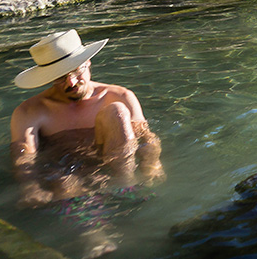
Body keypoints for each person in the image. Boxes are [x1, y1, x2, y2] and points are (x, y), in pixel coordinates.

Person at [10, 29, 164, 209]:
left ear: (88, 62)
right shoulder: (29, 112)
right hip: (66, 174)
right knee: (63, 182)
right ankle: (95, 232)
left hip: (115, 166)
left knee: (117, 111)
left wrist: (153, 164)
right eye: (60, 78)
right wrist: (31, 187)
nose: (71, 83)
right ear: (47, 78)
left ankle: (126, 188)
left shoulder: (119, 95)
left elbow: (146, 137)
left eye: (76, 71)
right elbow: (24, 157)